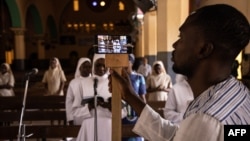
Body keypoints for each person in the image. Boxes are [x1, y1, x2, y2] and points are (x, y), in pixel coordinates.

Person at [109, 4, 250, 141]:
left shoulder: (206, 120)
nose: (174, 45)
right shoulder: (239, 93)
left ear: (204, 50)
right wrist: (130, 96)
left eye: (181, 37)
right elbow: (179, 136)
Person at [75, 54, 126, 141]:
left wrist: (111, 107)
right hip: (89, 126)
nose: (101, 68)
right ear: (93, 66)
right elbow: (75, 114)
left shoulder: (115, 83)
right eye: (98, 65)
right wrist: (89, 107)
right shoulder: (83, 84)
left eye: (104, 65)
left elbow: (124, 112)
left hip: (109, 126)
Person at [122, 54, 147, 141]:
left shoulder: (139, 77)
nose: (124, 65)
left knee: (136, 136)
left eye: (127, 62)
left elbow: (142, 97)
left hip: (135, 111)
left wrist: (144, 114)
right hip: (122, 112)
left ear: (131, 63)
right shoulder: (119, 78)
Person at [66, 57, 92, 126]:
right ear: (79, 68)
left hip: (91, 115)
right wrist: (70, 118)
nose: (87, 69)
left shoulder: (94, 81)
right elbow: (69, 102)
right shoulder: (73, 82)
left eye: (89, 67)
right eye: (85, 67)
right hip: (78, 115)